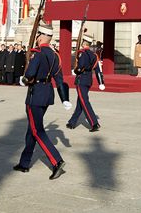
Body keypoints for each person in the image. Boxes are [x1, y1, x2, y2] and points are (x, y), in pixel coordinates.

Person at [14, 26, 70, 179]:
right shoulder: (55, 56)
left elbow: (30, 73)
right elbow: (59, 79)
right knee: (31, 129)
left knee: (37, 130)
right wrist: (64, 99)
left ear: (41, 36)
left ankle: (57, 161)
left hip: (35, 94)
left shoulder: (38, 54)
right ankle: (25, 163)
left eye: (38, 35)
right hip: (47, 95)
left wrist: (23, 79)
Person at [67, 33, 103, 131]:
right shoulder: (94, 55)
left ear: (83, 43)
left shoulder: (82, 53)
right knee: (80, 102)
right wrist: (101, 82)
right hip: (88, 80)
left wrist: (76, 70)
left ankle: (94, 123)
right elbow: (97, 69)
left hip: (81, 79)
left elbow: (81, 66)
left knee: (84, 101)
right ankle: (72, 122)